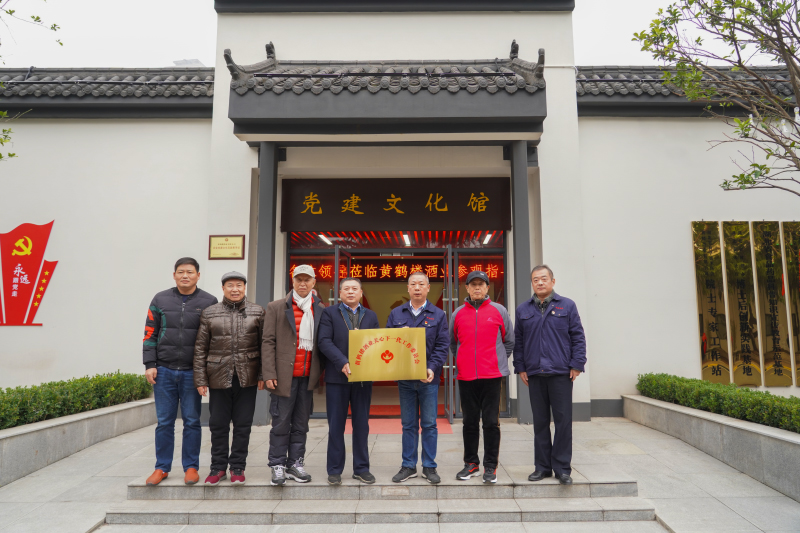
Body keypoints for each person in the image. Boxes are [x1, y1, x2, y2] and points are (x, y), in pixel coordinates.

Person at [142, 257, 218, 486]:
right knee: (164, 422)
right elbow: (150, 333)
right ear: (174, 275)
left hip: (192, 372)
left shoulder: (209, 301)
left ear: (198, 275)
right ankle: (162, 467)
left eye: (190, 272)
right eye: (181, 272)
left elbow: (212, 340)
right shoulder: (160, 299)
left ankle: (191, 467)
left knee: (192, 421)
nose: (185, 276)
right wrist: (150, 364)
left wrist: (205, 372)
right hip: (163, 370)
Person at [513, 265, 586, 485]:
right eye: (535, 279)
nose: (540, 282)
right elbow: (519, 342)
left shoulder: (567, 305)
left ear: (553, 281)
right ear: (532, 283)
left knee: (563, 422)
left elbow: (578, 336)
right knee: (540, 422)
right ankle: (542, 467)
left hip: (561, 373)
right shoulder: (523, 309)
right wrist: (521, 367)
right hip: (535, 373)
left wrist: (577, 364)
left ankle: (562, 468)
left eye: (544, 278)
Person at [193, 271, 265, 486]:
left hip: (247, 377)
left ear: (245, 287)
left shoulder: (257, 311)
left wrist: (263, 374)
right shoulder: (210, 313)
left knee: (243, 425)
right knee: (218, 425)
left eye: (239, 285)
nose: (235, 289)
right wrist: (200, 379)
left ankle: (238, 467)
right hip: (218, 376)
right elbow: (200, 348)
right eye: (230, 285)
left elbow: (265, 346)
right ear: (223, 288)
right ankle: (217, 468)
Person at [261, 264, 325, 486]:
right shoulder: (277, 307)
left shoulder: (320, 309)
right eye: (299, 279)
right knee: (280, 423)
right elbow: (267, 341)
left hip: (307, 378)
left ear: (314, 282)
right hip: (283, 377)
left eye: (307, 280)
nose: (303, 284)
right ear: (293, 281)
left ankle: (295, 463)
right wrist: (268, 373)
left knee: (301, 423)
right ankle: (277, 464)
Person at [449, 270, 514, 483]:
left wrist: (497, 361)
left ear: (487, 287)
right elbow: (453, 343)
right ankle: (471, 464)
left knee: (490, 422)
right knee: (469, 422)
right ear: (467, 288)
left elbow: (509, 341)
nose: (477, 288)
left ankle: (490, 466)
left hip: (492, 376)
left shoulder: (499, 310)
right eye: (473, 284)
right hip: (466, 376)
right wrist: (464, 360)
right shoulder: (457, 313)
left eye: (481, 284)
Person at [386, 271, 449, 484]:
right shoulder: (396, 313)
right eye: (413, 284)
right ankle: (408, 465)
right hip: (405, 378)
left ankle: (429, 466)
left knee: (429, 424)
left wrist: (431, 368)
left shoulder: (438, 314)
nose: (417, 288)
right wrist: (399, 336)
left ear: (428, 288)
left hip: (428, 379)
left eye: (421, 284)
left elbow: (442, 345)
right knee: (408, 424)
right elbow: (387, 343)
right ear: (408, 288)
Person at [317, 277, 380, 485]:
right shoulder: (329, 313)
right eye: (346, 289)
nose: (350, 292)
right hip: (337, 377)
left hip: (363, 378)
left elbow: (377, 343)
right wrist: (342, 361)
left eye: (354, 289)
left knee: (361, 425)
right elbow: (324, 341)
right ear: (340, 293)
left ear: (361, 293)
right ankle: (334, 469)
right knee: (336, 425)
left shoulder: (370, 315)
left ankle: (361, 468)